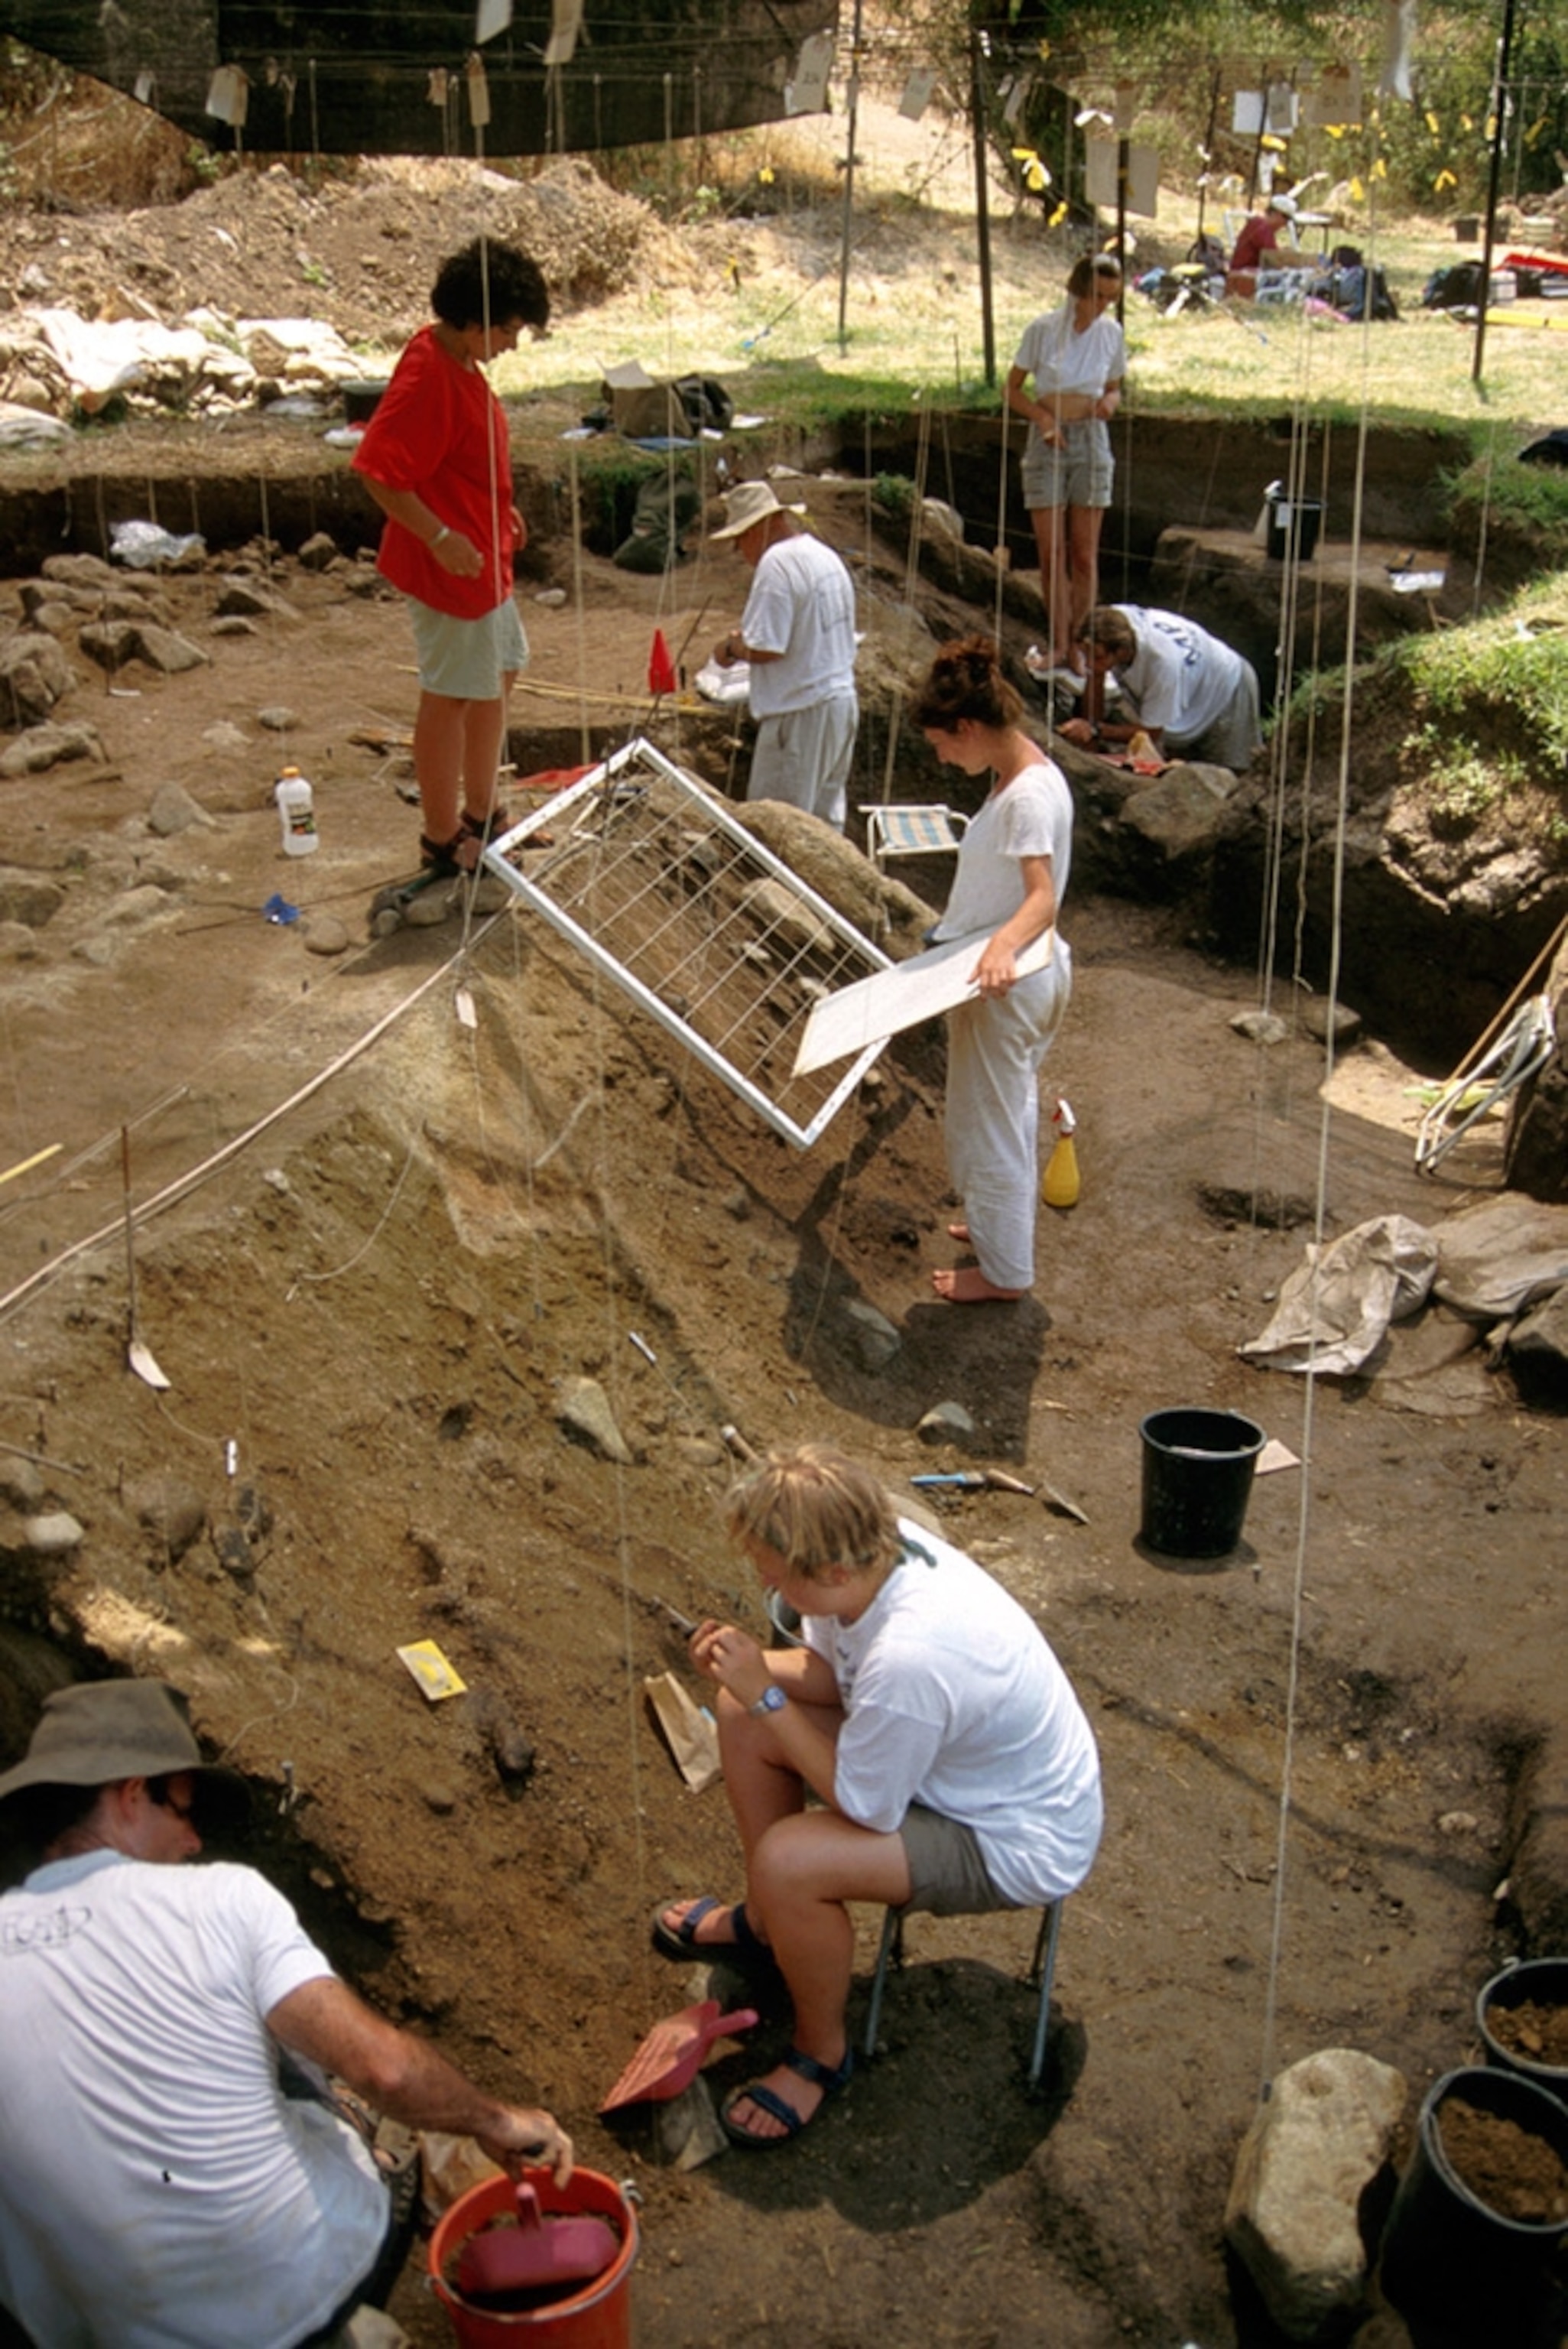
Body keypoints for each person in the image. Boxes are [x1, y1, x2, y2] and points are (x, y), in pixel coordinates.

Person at [0, 1679, 572, 2349]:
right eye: (183, 1811)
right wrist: (497, 2120)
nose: (192, 1843)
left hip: (113, 2332)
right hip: (298, 2293)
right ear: (130, 1794)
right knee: (306, 2065)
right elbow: (384, 2069)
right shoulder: (221, 1899)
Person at [653, 1444, 1102, 2149]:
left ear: (832, 1569)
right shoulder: (871, 1554)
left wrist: (767, 1693)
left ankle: (820, 2053)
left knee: (791, 1860)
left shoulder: (914, 1656)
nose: (763, 1578)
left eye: (775, 1571)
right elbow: (837, 1675)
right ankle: (772, 1927)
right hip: (957, 1763)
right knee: (738, 1712)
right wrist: (751, 1672)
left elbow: (866, 1806)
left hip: (1012, 1836)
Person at [352, 238, 550, 884]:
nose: (513, 343)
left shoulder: (459, 361)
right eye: (511, 329)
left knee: (499, 674)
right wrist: (439, 536)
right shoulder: (427, 372)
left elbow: (460, 456)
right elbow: (378, 472)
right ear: (474, 320)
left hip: (483, 557)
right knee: (449, 696)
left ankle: (484, 809)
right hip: (451, 568)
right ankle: (441, 837)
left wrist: (498, 510)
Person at [914, 635, 1074, 1304]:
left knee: (998, 1123)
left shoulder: (1027, 797)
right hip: (1005, 975)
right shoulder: (1017, 777)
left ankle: (1005, 1274)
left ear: (968, 728)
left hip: (1009, 982)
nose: (943, 757)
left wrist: (1000, 947)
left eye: (944, 745)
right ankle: (989, 1229)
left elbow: (1043, 897)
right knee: (986, 1113)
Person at [709, 480, 859, 830]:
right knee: (822, 829)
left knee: (778, 830)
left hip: (799, 714)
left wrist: (732, 648)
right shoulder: (824, 555)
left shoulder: (776, 565)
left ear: (756, 528)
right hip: (839, 704)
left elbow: (767, 648)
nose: (738, 551)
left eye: (738, 540)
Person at [1005, 254, 1126, 680]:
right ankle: (1058, 644)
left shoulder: (1112, 333)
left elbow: (1113, 387)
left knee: (1084, 555)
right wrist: (1043, 420)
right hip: (1048, 437)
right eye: (1098, 296)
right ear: (1077, 292)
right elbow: (1013, 388)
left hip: (1090, 438)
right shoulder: (1042, 330)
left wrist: (1109, 402)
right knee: (1050, 551)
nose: (1105, 306)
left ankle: (1082, 644)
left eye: (1112, 298)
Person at [1059, 604, 1263, 771]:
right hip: (1192, 684)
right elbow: (1096, 675)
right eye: (1087, 656)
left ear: (1121, 651)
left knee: (1229, 774)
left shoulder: (1162, 663)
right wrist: (1089, 732)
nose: (1089, 664)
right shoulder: (1111, 621)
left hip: (1228, 689)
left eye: (1098, 658)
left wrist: (1095, 730)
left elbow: (1153, 733)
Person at [1226, 193, 1305, 296]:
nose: (1285, 224)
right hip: (1242, 276)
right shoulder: (1263, 229)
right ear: (1276, 214)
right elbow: (1274, 260)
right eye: (1286, 219)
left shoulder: (1258, 224)